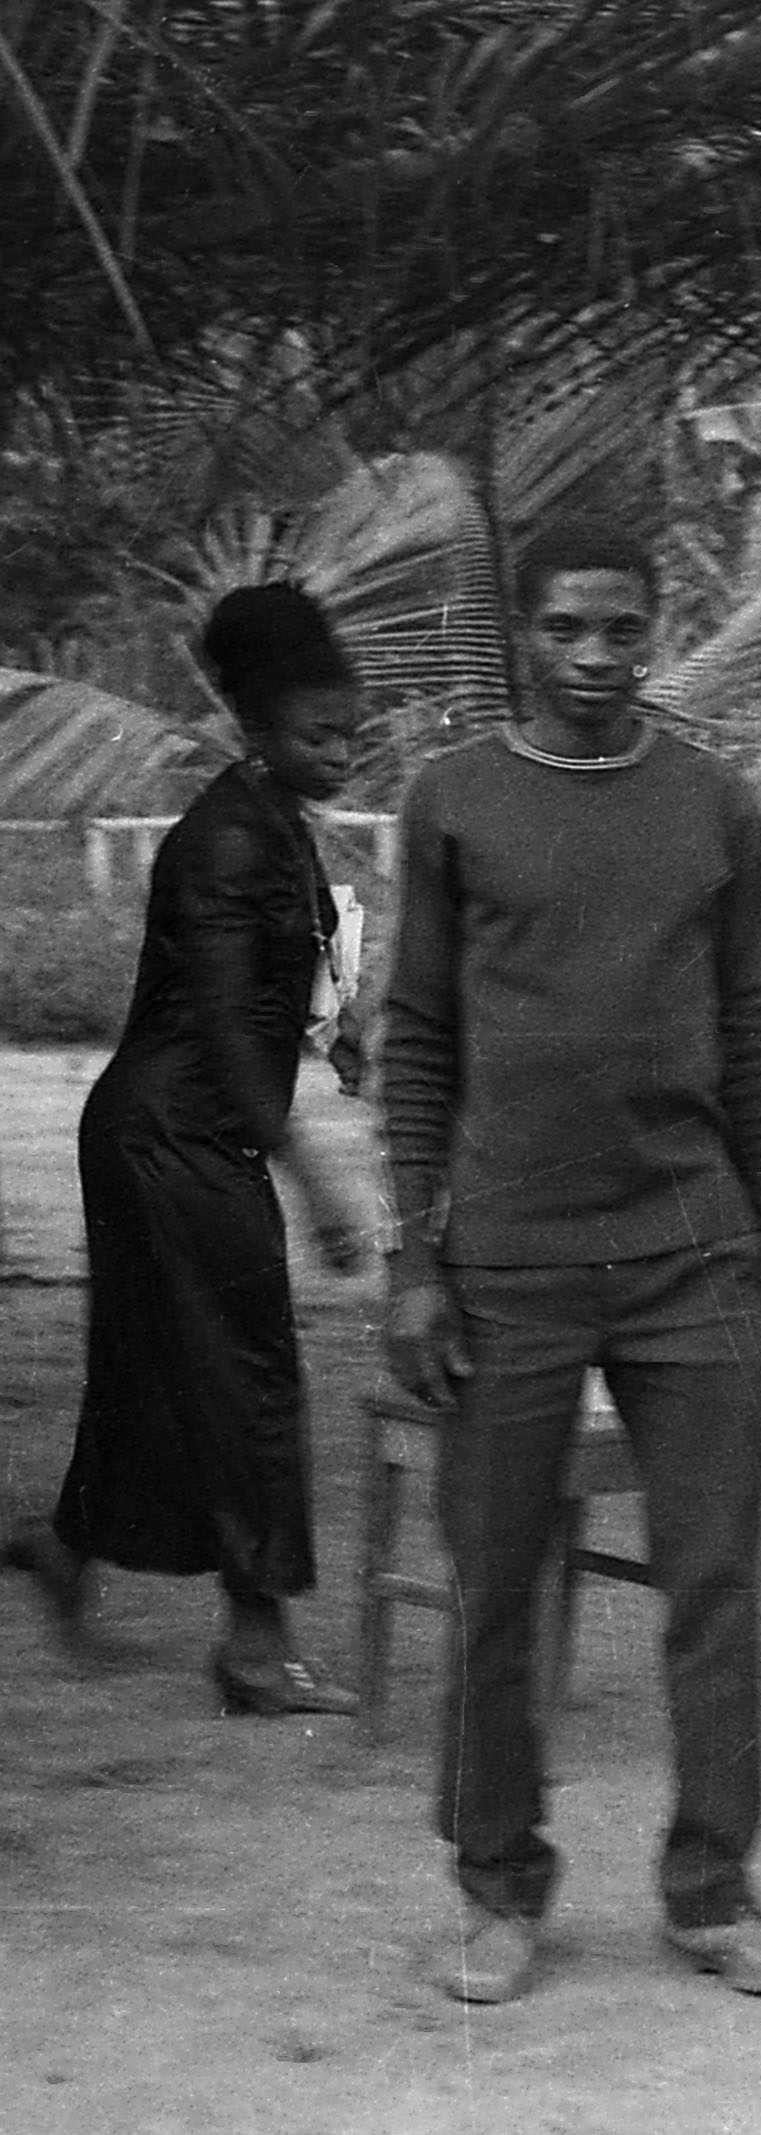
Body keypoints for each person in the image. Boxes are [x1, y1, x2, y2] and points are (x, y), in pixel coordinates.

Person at [380, 523, 761, 2007]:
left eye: (622, 628)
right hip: (506, 1261)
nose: (594, 656)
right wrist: (414, 1258)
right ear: (521, 633)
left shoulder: (712, 804)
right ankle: (498, 1884)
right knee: (496, 1586)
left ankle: (714, 1889)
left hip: (695, 1254)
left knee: (716, 1582)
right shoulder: (453, 800)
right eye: (565, 628)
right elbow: (419, 1038)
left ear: (655, 630)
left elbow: (754, 1034)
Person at [4, 585, 370, 1711]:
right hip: (174, 1135)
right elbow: (220, 1028)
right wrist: (317, 1182)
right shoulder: (224, 841)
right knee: (248, 1373)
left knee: (156, 1368)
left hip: (173, 1130)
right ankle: (256, 1648)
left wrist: (347, 1036)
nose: (341, 754)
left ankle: (64, 1547)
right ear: (255, 728)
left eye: (350, 733)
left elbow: (292, 974)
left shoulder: (272, 820)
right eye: (317, 736)